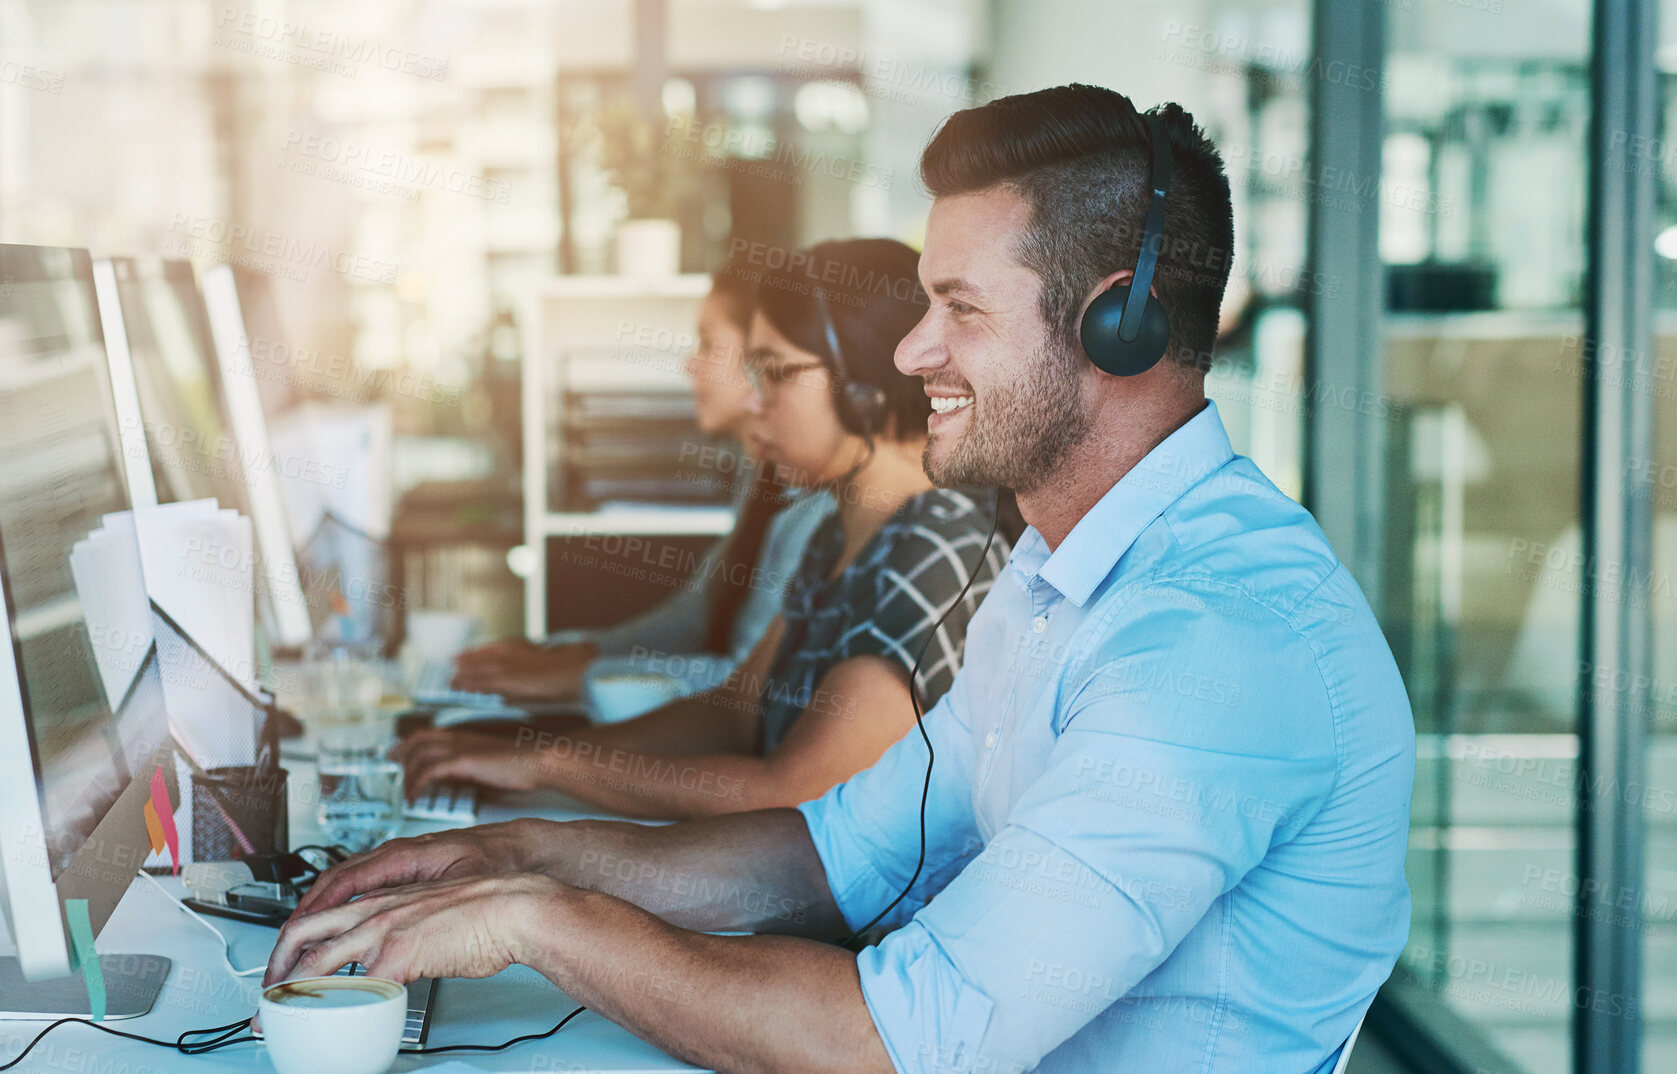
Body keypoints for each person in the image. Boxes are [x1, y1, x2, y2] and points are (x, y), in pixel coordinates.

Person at [266, 86, 1415, 1074]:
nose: (913, 354)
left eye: (959, 309)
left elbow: (896, 1041)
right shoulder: (1057, 580)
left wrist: (538, 921)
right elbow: (824, 851)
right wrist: (517, 852)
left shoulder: (1211, 642)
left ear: (1114, 323)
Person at [397, 238, 1007, 819]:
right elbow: (736, 710)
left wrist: (551, 770)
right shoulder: (838, 533)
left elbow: (791, 795)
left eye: (776, 373)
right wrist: (547, 756)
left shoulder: (932, 548)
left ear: (864, 392)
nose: (751, 401)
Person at [450, 258, 834, 704]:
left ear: (761, 357)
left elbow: (746, 684)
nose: (689, 366)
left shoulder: (815, 505)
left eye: (708, 345)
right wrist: (566, 653)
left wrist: (580, 675)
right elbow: (696, 615)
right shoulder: (762, 478)